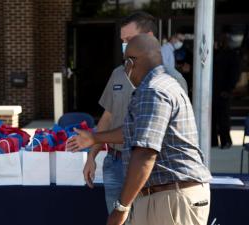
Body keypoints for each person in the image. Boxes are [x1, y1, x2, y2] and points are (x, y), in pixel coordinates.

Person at [69, 34, 212, 225]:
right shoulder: (166, 84)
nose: (126, 69)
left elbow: (145, 153)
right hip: (171, 195)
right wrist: (95, 138)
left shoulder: (153, 91)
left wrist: (121, 208)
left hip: (169, 197)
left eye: (126, 62)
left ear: (132, 62)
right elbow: (138, 131)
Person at [84, 11, 188, 214]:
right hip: (114, 163)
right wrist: (91, 156)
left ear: (148, 38)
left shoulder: (172, 80)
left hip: (150, 167)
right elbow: (108, 116)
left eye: (129, 39)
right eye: (123, 41)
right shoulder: (118, 74)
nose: (125, 46)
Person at [211, 32, 241, 149]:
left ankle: (225, 141)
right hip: (214, 91)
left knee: (223, 118)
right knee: (213, 118)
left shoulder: (231, 55)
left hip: (223, 91)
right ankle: (213, 141)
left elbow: (234, 74)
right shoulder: (216, 53)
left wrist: (228, 89)